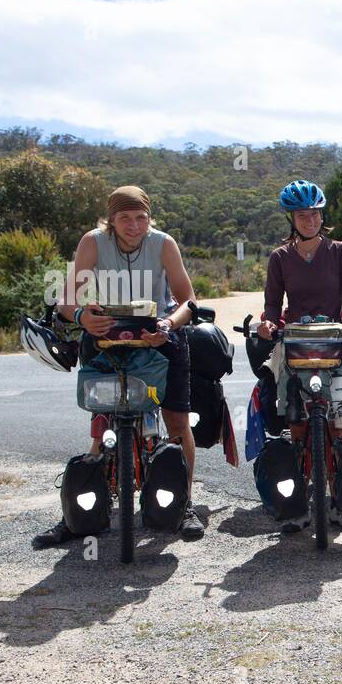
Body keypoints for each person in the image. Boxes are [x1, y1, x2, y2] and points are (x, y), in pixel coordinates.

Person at [33, 185, 204, 548]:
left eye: (141, 217)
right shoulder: (92, 243)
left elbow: (188, 300)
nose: (134, 225)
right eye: (125, 218)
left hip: (156, 332)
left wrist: (169, 325)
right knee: (101, 419)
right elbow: (65, 299)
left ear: (149, 218)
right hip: (107, 332)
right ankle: (82, 509)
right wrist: (81, 314)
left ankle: (185, 501)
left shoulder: (164, 244)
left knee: (177, 419)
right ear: (111, 219)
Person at [259, 179, 342, 533]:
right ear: (291, 218)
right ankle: (294, 504)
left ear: (322, 216)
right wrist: (266, 324)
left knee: (339, 424)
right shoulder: (280, 258)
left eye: (315, 214)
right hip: (295, 343)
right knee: (294, 423)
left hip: (333, 342)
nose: (309, 221)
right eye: (302, 215)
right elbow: (273, 305)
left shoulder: (339, 251)